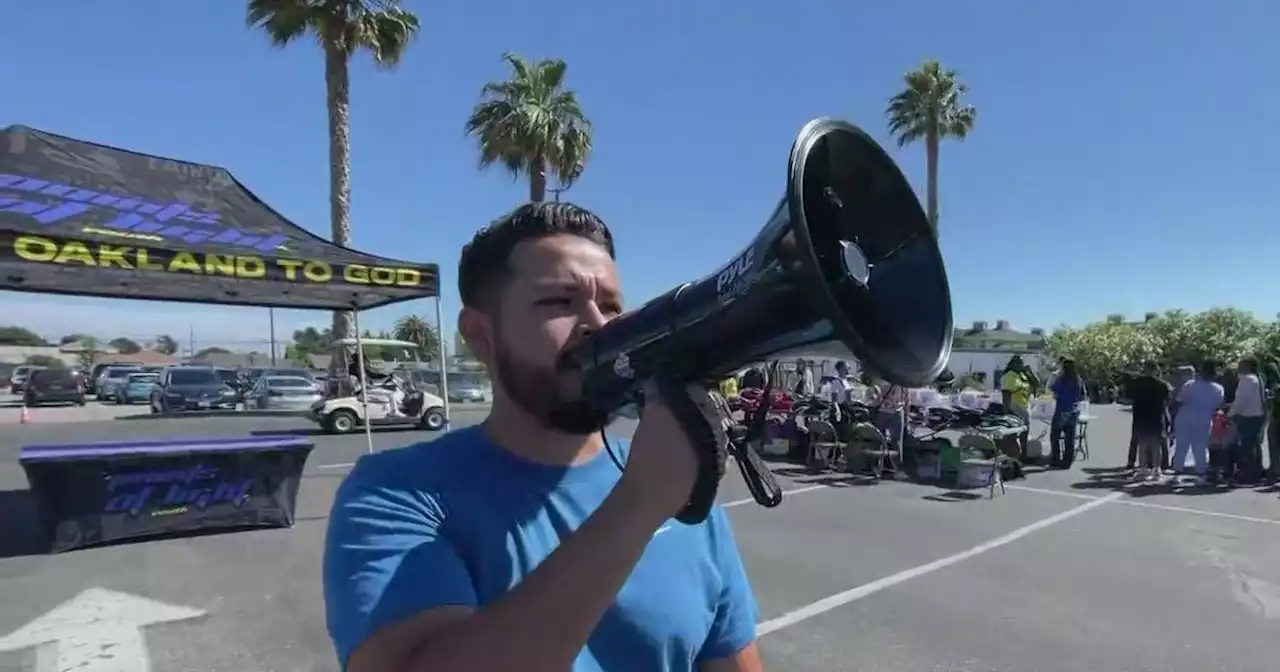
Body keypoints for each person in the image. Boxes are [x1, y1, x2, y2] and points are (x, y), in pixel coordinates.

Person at [322, 202, 763, 672]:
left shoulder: (678, 487)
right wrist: (640, 502)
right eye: (559, 302)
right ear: (481, 336)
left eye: (611, 305)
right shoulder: (393, 493)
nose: (598, 324)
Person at [1170, 361, 1225, 483]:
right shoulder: (1218, 389)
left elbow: (1178, 401)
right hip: (1204, 419)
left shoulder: (1190, 385)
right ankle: (1201, 475)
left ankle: (1177, 474)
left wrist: (1172, 416)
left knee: (1181, 446)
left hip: (1185, 418)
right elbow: (1217, 406)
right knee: (1200, 447)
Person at [1126, 361, 1172, 481]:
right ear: (1156, 370)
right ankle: (1156, 469)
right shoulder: (1162, 384)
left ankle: (1143, 468)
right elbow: (1167, 400)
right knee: (1156, 445)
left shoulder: (1136, 382)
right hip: (1156, 416)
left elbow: (1129, 397)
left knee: (1143, 444)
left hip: (1140, 415)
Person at [1227, 357, 1266, 482]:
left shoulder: (1246, 379)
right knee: (1254, 445)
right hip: (1257, 415)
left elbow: (1241, 400)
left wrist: (1231, 414)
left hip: (1247, 417)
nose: (1238, 368)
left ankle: (1247, 474)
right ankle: (1257, 471)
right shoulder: (1257, 379)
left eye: (1241, 365)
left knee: (1246, 447)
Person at [1048, 357, 1086, 469]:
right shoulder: (1078, 380)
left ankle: (1056, 459)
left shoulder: (1062, 379)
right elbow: (1083, 395)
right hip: (1074, 410)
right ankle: (1067, 461)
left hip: (1062, 409)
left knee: (1055, 435)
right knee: (1070, 437)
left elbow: (1055, 393)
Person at [999, 356, 1033, 458]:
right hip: (1014, 408)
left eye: (1023, 362)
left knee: (1024, 432)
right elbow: (1006, 393)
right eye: (1020, 363)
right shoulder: (1010, 375)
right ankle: (1012, 457)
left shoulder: (1023, 375)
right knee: (1012, 434)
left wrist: (1030, 372)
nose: (1023, 365)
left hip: (1025, 407)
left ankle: (1024, 454)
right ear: (1014, 364)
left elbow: (1037, 384)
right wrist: (1006, 412)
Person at [871, 372, 907, 460]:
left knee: (878, 439)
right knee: (897, 442)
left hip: (882, 412)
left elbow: (875, 397)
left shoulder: (880, 380)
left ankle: (878, 463)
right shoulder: (903, 381)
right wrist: (906, 414)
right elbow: (906, 399)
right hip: (897, 411)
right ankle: (896, 467)